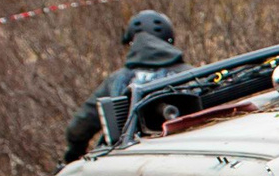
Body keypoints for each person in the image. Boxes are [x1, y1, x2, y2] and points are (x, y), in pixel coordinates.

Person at [63, 9, 187, 162]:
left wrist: (74, 154)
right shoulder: (193, 74)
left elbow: (78, 129)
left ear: (131, 42)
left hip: (129, 161)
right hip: (184, 154)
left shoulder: (117, 80)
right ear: (169, 39)